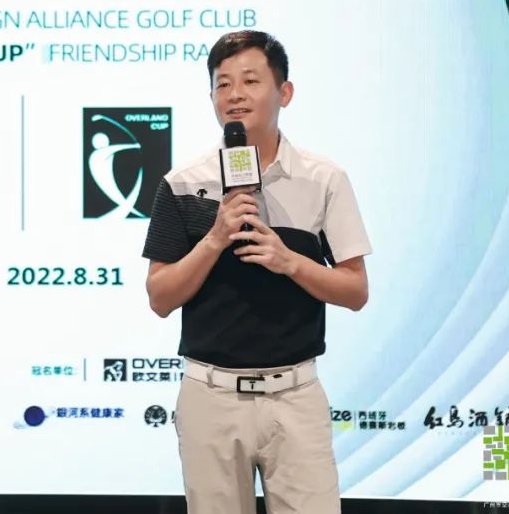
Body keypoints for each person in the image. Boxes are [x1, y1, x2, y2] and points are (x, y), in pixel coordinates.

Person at [143, 30, 372, 514]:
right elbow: (160, 297)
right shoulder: (182, 183)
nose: (235, 95)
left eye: (250, 81)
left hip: (295, 395)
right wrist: (214, 239)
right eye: (222, 84)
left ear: (284, 93)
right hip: (210, 397)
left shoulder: (323, 179)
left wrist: (290, 262)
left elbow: (355, 290)